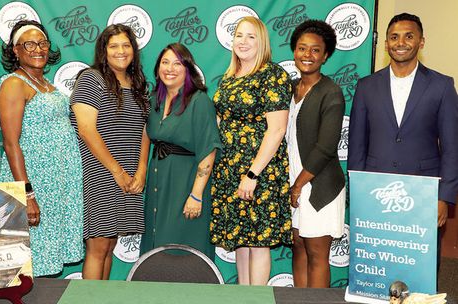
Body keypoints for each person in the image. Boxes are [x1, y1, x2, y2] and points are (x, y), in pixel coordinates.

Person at [348, 13, 458, 270]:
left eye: (409, 36)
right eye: (394, 37)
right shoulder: (366, 86)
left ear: (421, 42)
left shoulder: (442, 86)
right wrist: (358, 193)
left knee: (420, 266)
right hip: (377, 192)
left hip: (424, 196)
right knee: (379, 262)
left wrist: (444, 198)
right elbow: (357, 146)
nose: (401, 42)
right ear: (385, 43)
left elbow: (452, 148)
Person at [210, 16, 293, 285]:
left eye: (251, 36)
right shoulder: (228, 78)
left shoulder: (272, 75)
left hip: (259, 171)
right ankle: (243, 297)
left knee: (258, 242)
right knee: (241, 244)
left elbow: (277, 129)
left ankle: (256, 299)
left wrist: (252, 174)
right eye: (239, 35)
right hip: (230, 169)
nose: (243, 42)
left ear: (262, 43)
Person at [0, 20, 84, 277]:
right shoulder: (14, 84)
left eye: (43, 43)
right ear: (16, 51)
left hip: (56, 187)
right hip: (36, 185)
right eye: (29, 44)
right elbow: (11, 143)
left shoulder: (46, 84)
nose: (38, 49)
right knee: (30, 265)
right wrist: (27, 194)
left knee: (45, 264)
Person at [70, 24, 150, 280]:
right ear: (103, 51)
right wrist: (116, 171)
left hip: (127, 173)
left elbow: (146, 130)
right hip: (99, 171)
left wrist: (141, 170)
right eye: (114, 45)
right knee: (98, 245)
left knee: (110, 244)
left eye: (126, 45)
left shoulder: (137, 84)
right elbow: (86, 129)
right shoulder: (91, 78)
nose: (121, 51)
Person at [139, 43, 222, 259]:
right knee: (156, 245)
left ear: (188, 69)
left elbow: (209, 150)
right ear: (157, 68)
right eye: (165, 62)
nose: (170, 68)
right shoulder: (154, 101)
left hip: (186, 184)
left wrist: (196, 195)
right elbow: (147, 135)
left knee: (183, 245)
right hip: (158, 183)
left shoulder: (199, 101)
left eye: (177, 63)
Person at [287, 20, 345, 288]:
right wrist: (292, 184)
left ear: (326, 55)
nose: (307, 55)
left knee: (317, 254)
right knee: (298, 246)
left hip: (318, 185)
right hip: (294, 183)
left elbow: (326, 147)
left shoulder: (331, 92)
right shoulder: (290, 89)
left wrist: (299, 185)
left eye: (315, 50)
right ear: (293, 51)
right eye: (302, 48)